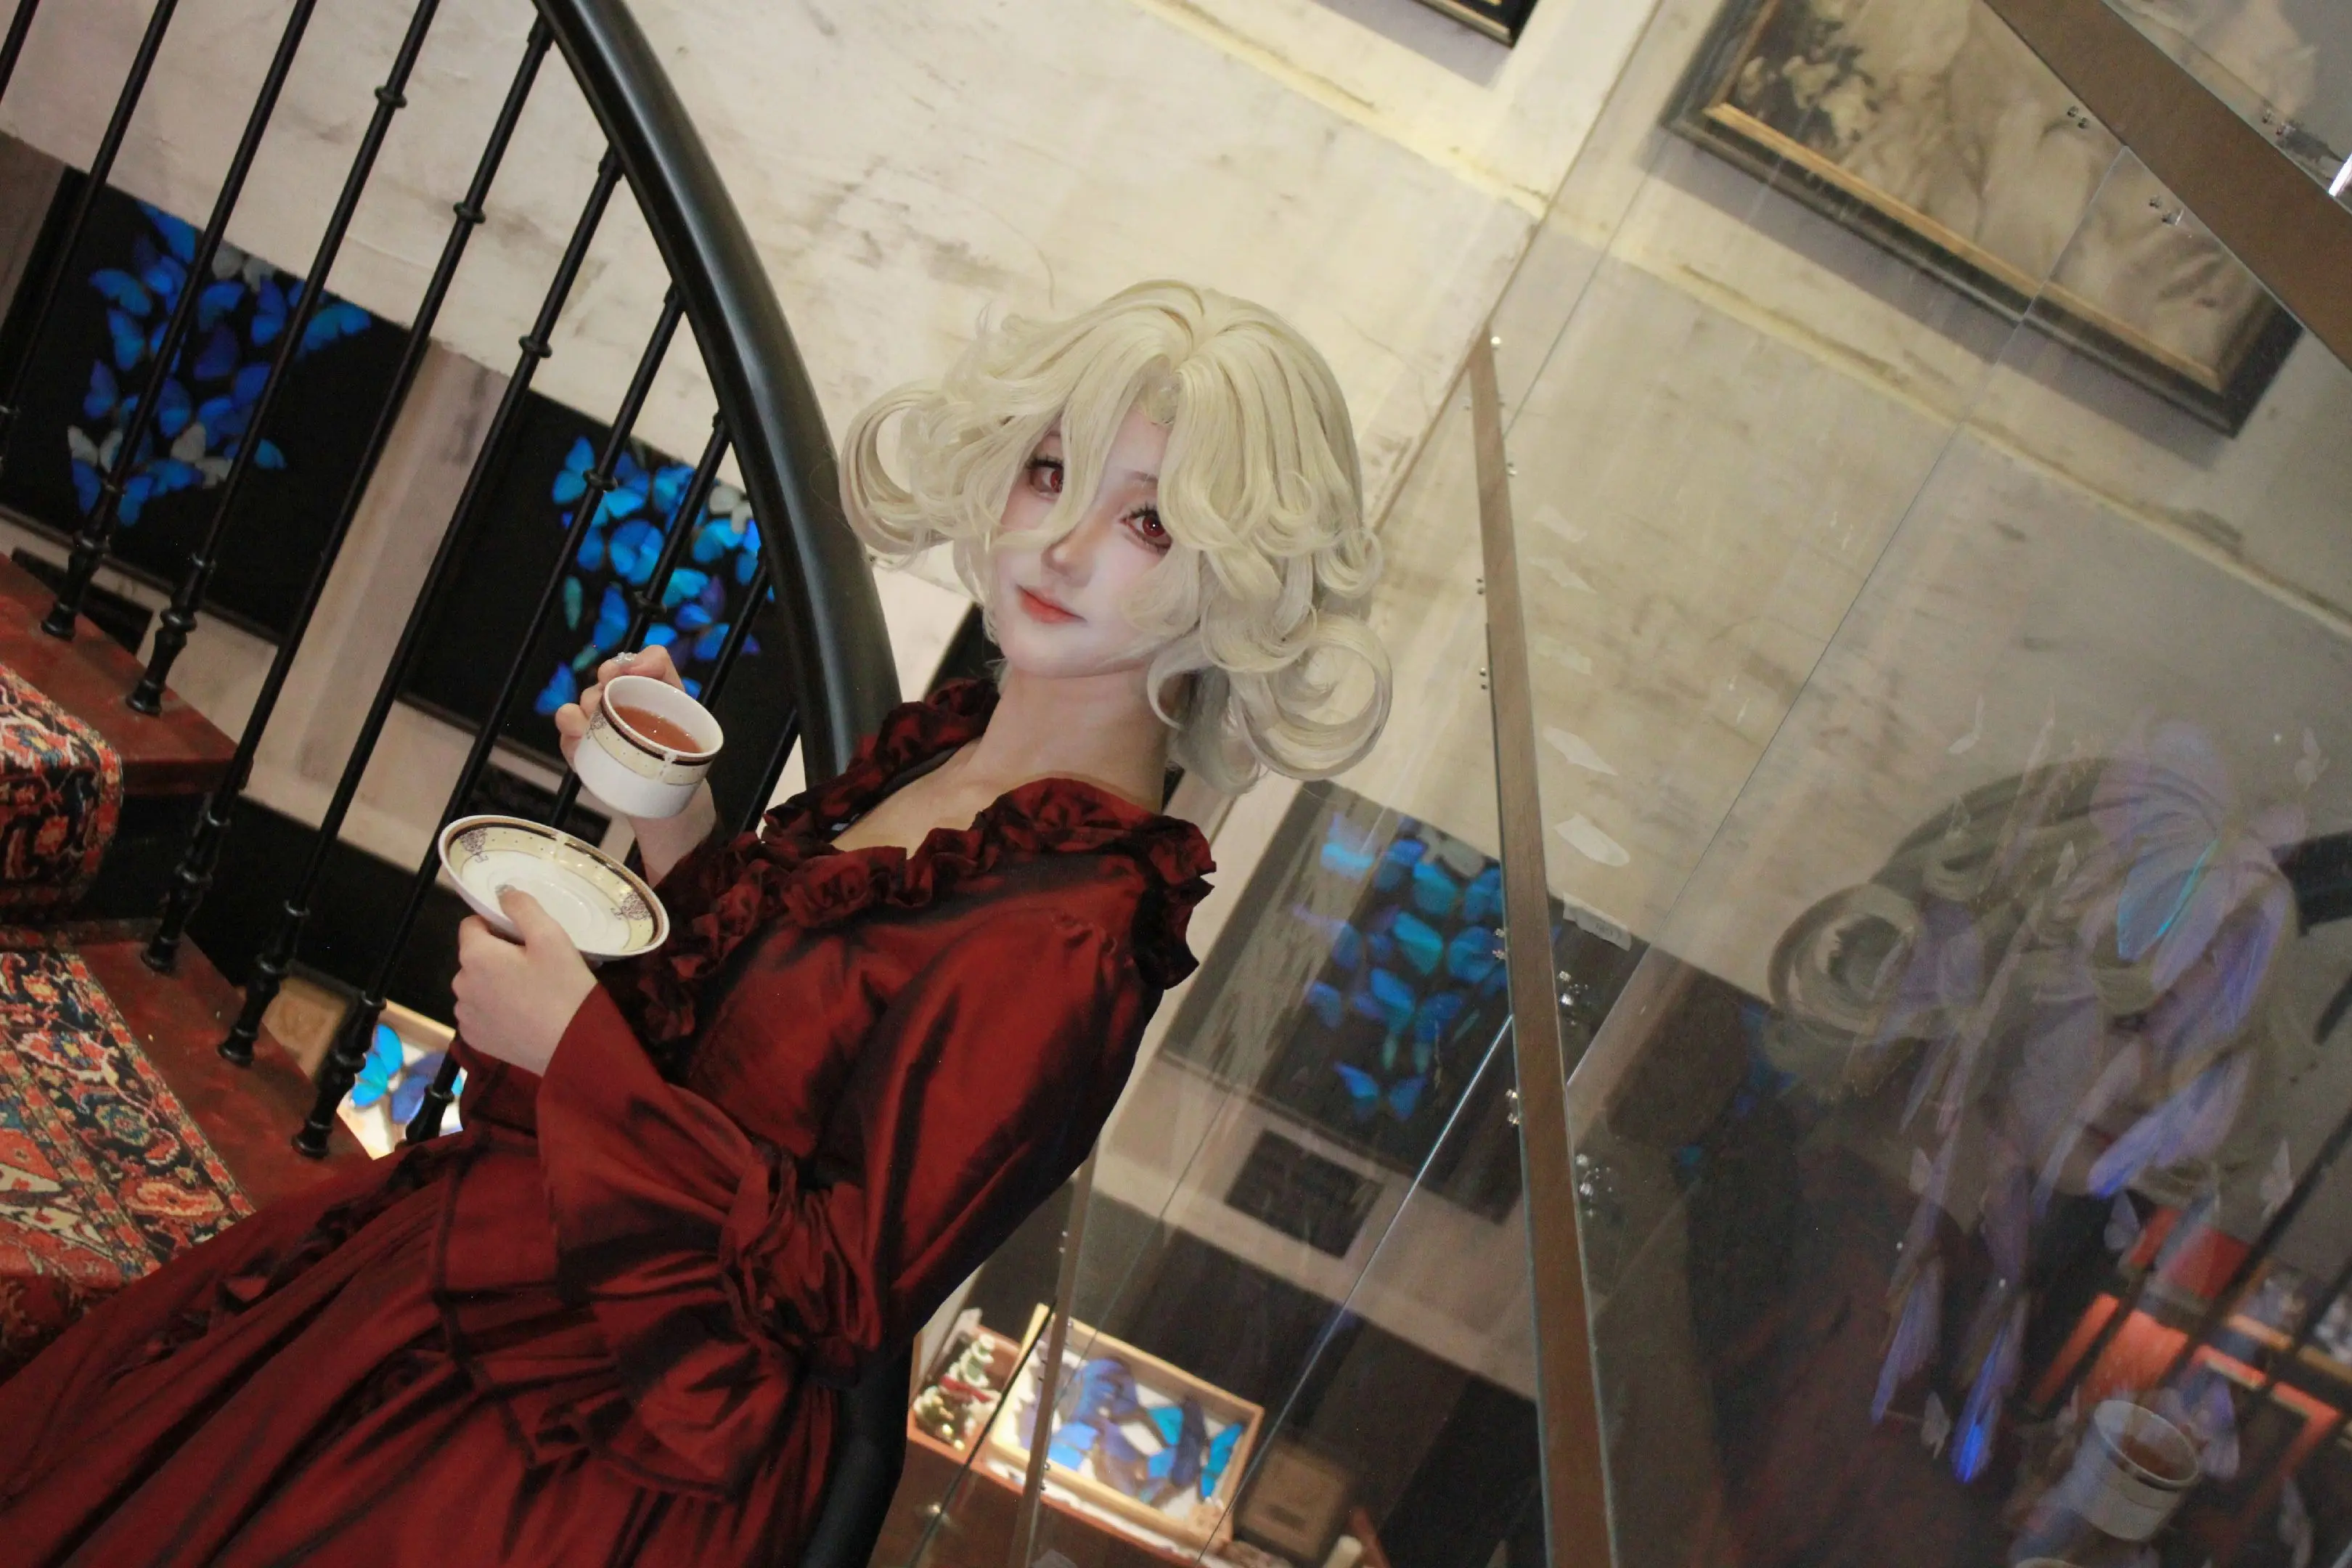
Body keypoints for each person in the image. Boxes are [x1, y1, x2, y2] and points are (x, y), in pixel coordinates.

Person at [0, 280, 1387, 1564]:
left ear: (1235, 578)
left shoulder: (1077, 932)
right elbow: (765, 1045)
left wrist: (575, 1052)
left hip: (614, 1436)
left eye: (1147, 524)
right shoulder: (955, 755)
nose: (1065, 544)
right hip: (537, 1287)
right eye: (1051, 471)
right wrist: (675, 821)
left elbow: (839, 1292)